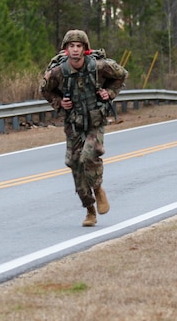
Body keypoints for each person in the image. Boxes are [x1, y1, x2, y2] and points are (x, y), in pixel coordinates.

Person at [39, 29, 129, 227]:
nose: (75, 50)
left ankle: (98, 189)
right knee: (75, 164)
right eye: (71, 46)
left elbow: (121, 75)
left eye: (79, 46)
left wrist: (110, 93)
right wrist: (60, 103)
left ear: (85, 49)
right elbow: (45, 90)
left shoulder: (98, 67)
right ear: (65, 49)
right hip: (73, 124)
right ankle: (89, 209)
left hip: (95, 122)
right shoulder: (58, 72)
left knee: (88, 155)